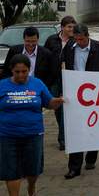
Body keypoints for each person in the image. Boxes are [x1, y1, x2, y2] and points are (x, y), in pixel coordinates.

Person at [0, 54, 64, 196]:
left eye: (24, 72)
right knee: (11, 172)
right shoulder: (2, 85)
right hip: (7, 136)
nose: (21, 75)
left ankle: (31, 187)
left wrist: (58, 101)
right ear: (11, 70)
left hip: (33, 134)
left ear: (29, 70)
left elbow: (49, 103)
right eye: (17, 72)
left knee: (32, 170)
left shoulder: (37, 84)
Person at [61, 24, 99, 179]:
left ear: (87, 36)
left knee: (93, 127)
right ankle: (74, 167)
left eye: (82, 39)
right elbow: (62, 63)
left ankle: (91, 157)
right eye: (76, 39)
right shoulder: (70, 47)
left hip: (95, 95)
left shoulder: (98, 48)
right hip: (75, 93)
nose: (79, 42)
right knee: (75, 130)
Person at [44, 15, 76, 150]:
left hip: (68, 79)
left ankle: (63, 139)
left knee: (65, 108)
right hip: (54, 79)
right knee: (56, 107)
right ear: (62, 27)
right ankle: (64, 133)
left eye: (73, 27)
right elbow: (45, 58)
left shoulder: (75, 41)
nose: (71, 29)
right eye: (69, 27)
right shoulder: (52, 40)